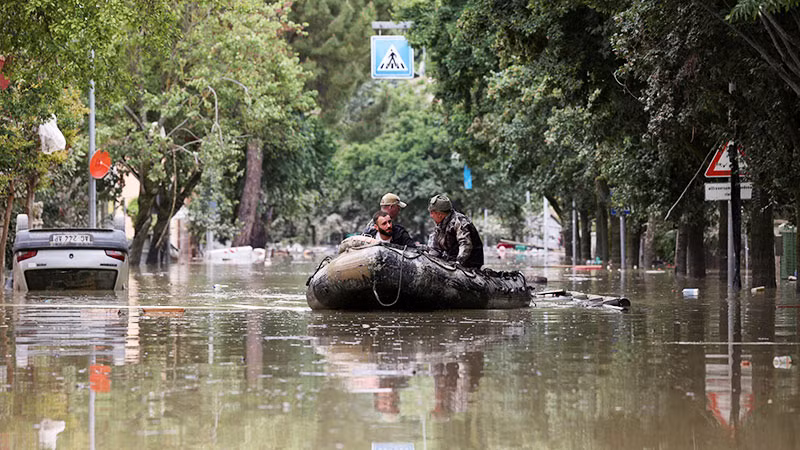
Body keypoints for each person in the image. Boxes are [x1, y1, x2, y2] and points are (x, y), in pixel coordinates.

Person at [427, 194, 484, 268]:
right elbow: (435, 247)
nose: (431, 216)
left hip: (469, 263)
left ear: (439, 214)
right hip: (450, 260)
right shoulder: (440, 225)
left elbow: (465, 244)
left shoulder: (459, 221)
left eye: (432, 213)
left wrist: (458, 262)